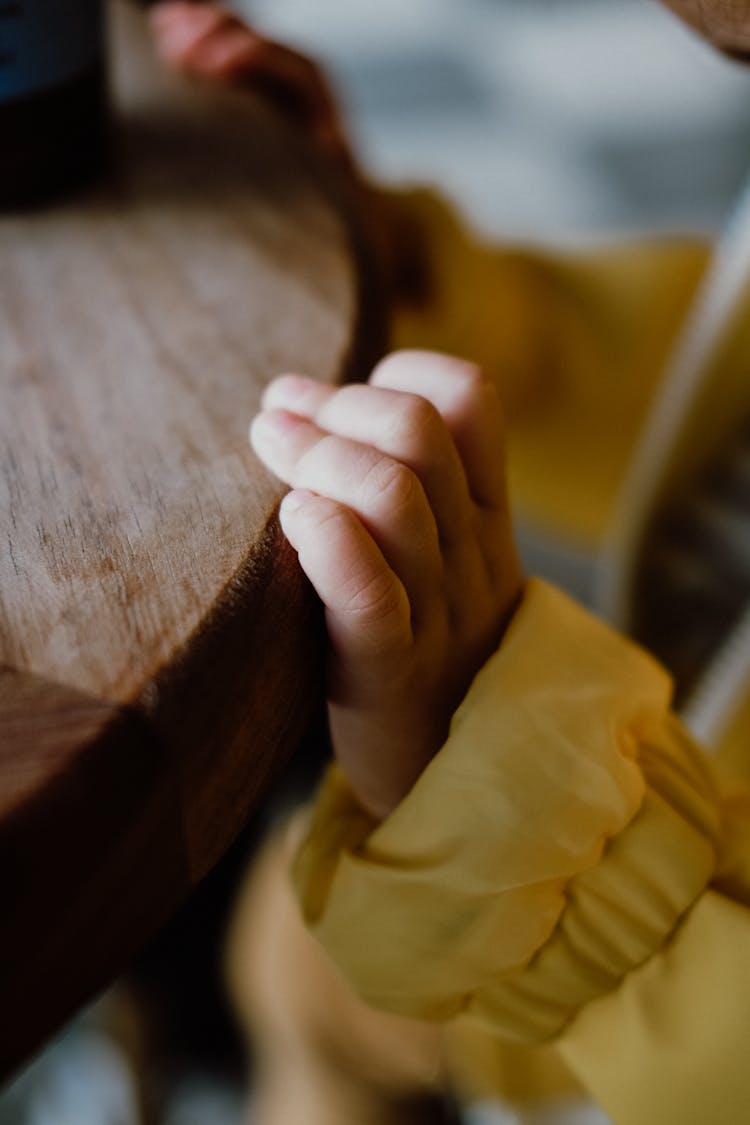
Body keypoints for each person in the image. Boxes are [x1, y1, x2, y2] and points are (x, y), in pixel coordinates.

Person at [154, 3, 750, 1123]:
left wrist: (514, 820)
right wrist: (399, 285)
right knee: (296, 951)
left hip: (644, 1027)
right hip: (620, 887)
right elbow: (713, 385)